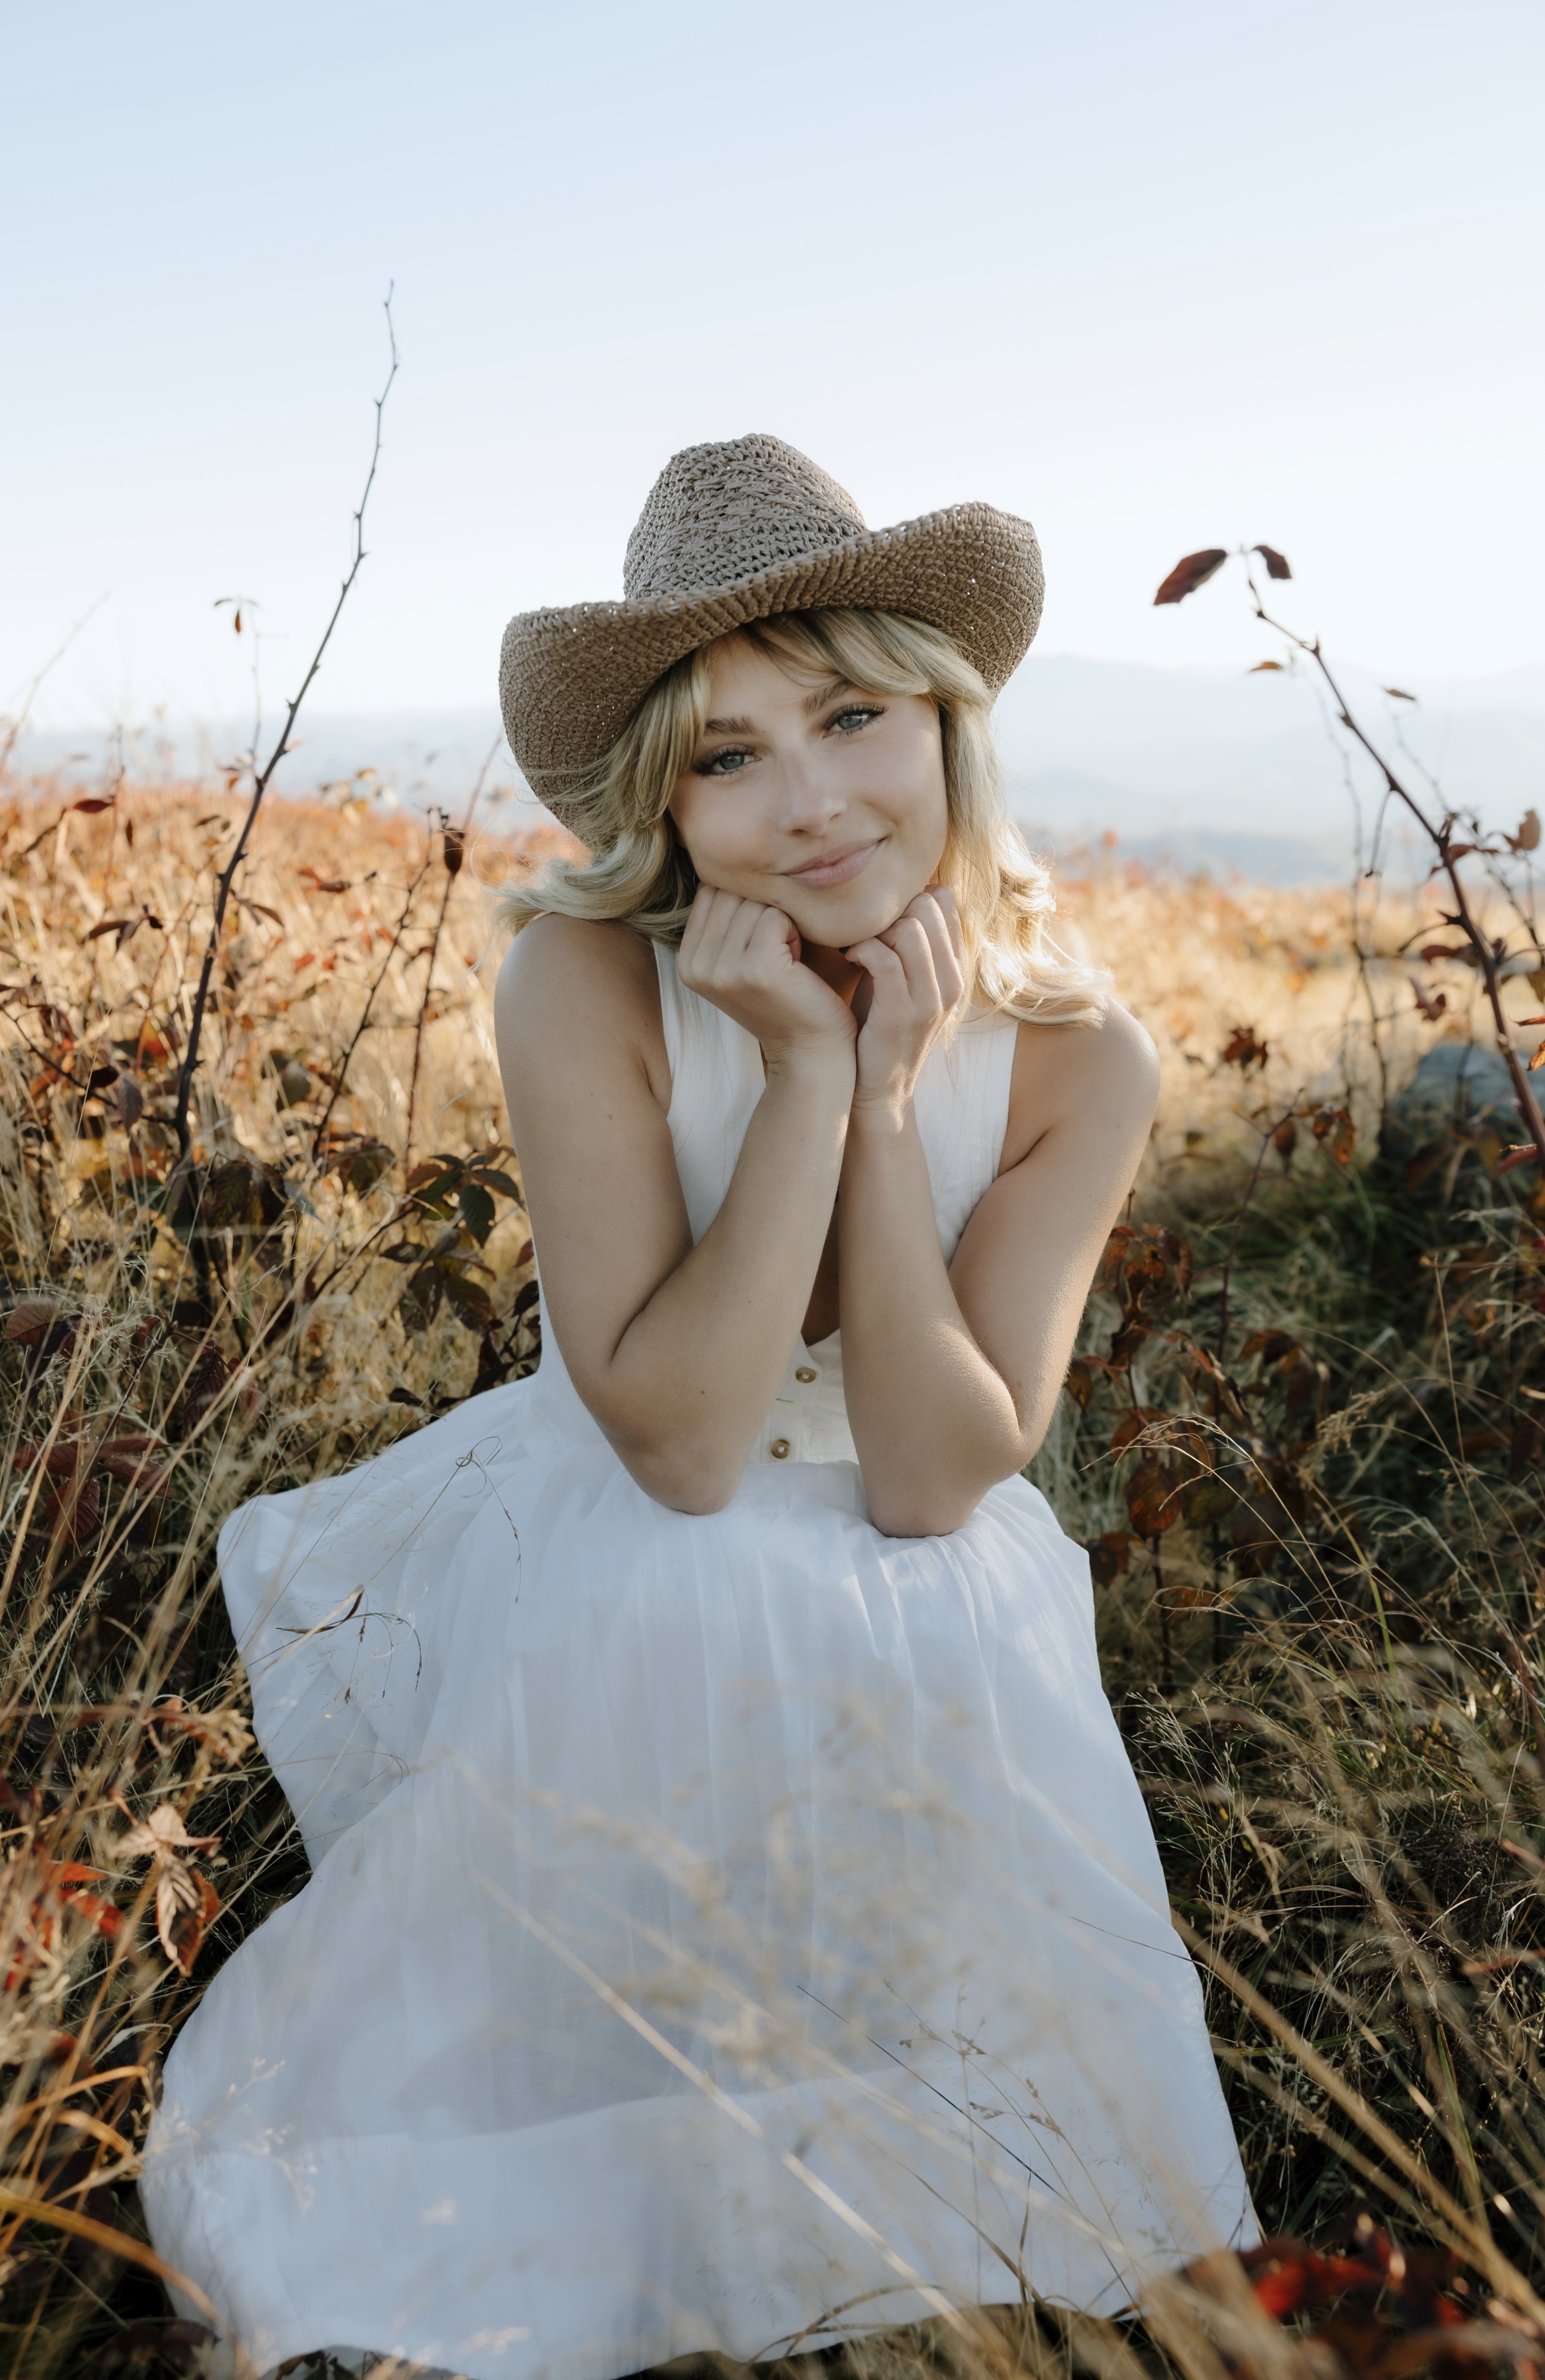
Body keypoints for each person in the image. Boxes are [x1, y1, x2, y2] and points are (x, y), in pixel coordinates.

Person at [142, 435, 1256, 2380]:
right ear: (659, 798)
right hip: (626, 1530)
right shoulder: (584, 974)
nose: (810, 804)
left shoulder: (1084, 1054)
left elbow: (924, 1478)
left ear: (942, 714)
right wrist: (805, 1078)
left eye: (848, 717)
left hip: (924, 1572)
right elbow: (676, 1439)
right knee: (691, 1586)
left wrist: (899, 1095)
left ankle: (880, 2205)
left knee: (938, 1613)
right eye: (726, 756)